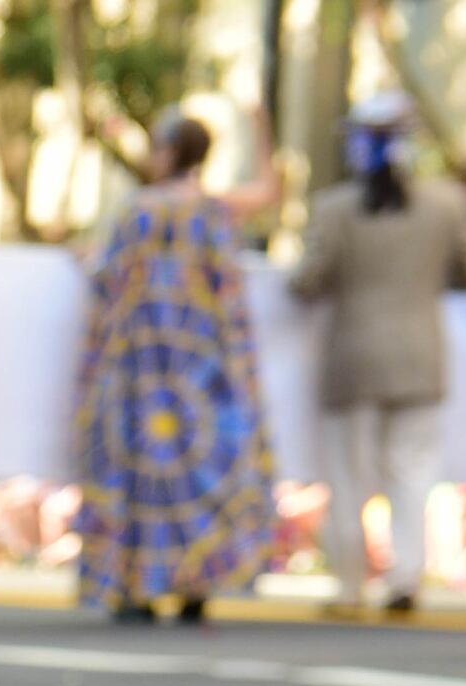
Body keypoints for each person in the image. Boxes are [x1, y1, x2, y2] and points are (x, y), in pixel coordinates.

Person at [73, 110, 278, 622]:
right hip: (200, 365)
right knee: (195, 471)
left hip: (140, 364)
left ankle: (137, 582)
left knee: (142, 471)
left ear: (171, 152)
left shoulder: (136, 211)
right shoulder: (212, 210)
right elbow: (269, 192)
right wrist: (260, 128)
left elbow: (106, 275)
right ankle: (194, 580)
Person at [290, 92, 466, 616]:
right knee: (412, 476)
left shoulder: (335, 209)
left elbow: (306, 282)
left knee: (348, 476)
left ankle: (351, 585)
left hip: (352, 361)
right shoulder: (448, 203)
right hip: (420, 358)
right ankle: (405, 576)